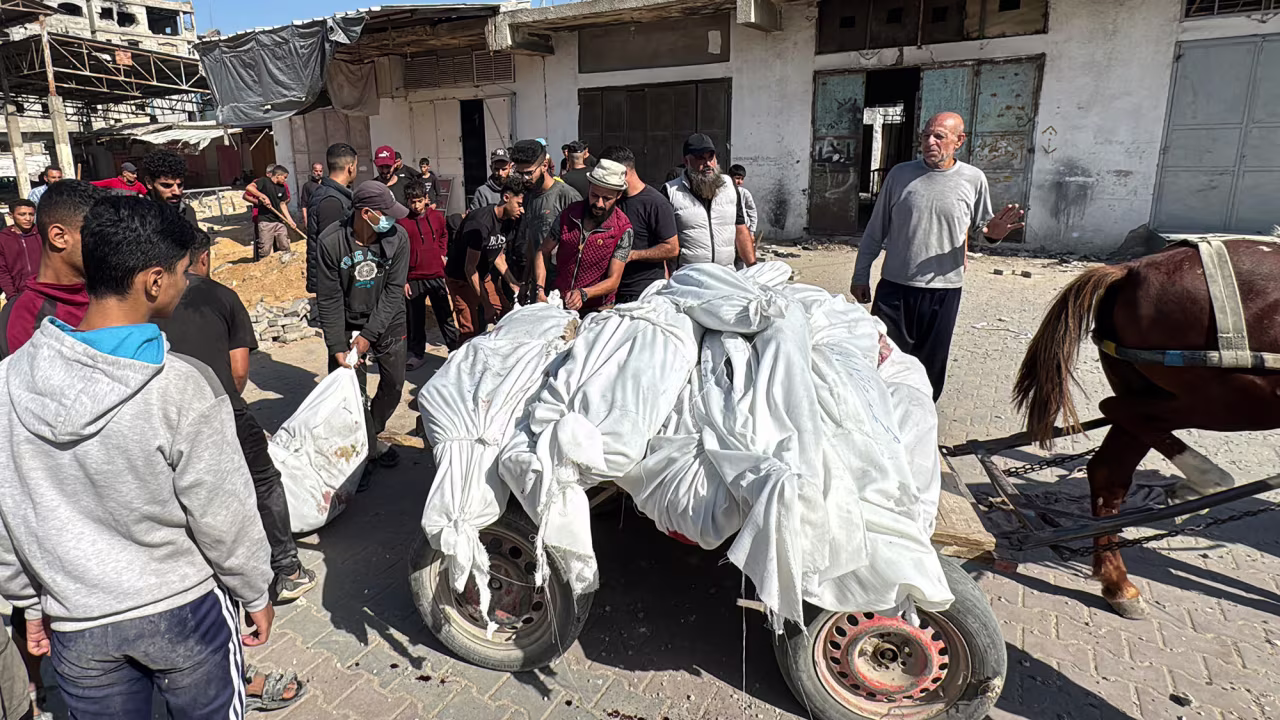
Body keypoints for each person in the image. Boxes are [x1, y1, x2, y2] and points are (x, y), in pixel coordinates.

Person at [0, 194, 277, 719]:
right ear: (153, 281)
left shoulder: (8, 383)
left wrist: (27, 600)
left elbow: (5, 508)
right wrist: (254, 590)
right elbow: (223, 512)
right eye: (180, 272)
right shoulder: (183, 386)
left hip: (78, 624)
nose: (185, 283)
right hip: (184, 611)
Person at [154, 230, 319, 606]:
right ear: (204, 258)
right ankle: (287, 570)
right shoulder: (223, 296)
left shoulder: (152, 299)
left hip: (169, 418)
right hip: (224, 407)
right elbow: (240, 371)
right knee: (263, 482)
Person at [849, 111, 1024, 401]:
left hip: (943, 293)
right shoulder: (899, 175)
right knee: (883, 361)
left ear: (959, 141)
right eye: (925, 136)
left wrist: (995, 233)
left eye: (939, 136)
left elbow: (984, 230)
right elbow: (875, 230)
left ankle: (923, 419)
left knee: (930, 367)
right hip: (894, 289)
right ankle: (881, 417)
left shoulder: (973, 179)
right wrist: (860, 275)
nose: (929, 142)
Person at [315, 181, 409, 486]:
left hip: (389, 320)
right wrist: (336, 345)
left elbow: (394, 290)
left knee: (394, 384)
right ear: (366, 213)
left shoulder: (398, 238)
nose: (391, 219)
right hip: (347, 320)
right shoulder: (331, 242)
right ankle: (364, 453)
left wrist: (369, 334)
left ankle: (371, 432)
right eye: (386, 213)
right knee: (351, 393)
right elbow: (329, 298)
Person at [0, 181, 103, 359]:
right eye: (97, 235)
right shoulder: (26, 318)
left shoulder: (105, 294)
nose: (108, 245)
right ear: (59, 237)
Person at [533, 160, 632, 316]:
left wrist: (584, 293)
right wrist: (539, 288)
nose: (599, 204)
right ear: (589, 186)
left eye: (607, 198)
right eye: (594, 195)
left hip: (598, 310)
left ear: (618, 195)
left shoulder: (623, 229)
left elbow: (614, 280)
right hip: (560, 303)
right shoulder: (569, 215)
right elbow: (543, 251)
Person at [596, 147, 679, 304]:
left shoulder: (656, 203)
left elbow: (672, 248)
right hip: (607, 292)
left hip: (642, 293)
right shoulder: (609, 200)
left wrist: (633, 255)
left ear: (623, 174)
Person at [663, 133, 755, 269]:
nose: (708, 164)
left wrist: (753, 267)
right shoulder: (671, 192)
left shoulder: (729, 186)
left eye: (711, 157)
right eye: (700, 158)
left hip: (726, 273)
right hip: (689, 275)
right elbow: (665, 241)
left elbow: (740, 229)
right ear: (686, 161)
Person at [452, 177, 522, 339]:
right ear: (506, 198)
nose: (522, 210)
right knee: (470, 329)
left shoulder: (509, 221)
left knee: (504, 313)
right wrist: (486, 304)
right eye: (519, 204)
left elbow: (498, 255)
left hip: (482, 274)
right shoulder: (481, 223)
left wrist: (514, 284)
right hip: (461, 277)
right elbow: (470, 268)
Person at [398, 178, 458, 368]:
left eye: (419, 200)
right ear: (407, 201)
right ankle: (417, 354)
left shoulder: (437, 217)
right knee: (416, 319)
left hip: (436, 274)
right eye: (412, 201)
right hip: (413, 277)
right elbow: (399, 252)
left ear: (426, 198)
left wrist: (442, 254)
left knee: (445, 316)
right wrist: (403, 280)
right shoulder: (402, 223)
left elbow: (444, 235)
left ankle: (455, 351)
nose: (416, 205)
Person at [509, 139, 581, 298]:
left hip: (562, 288)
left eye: (529, 173)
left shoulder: (567, 196)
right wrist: (525, 281)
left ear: (545, 166)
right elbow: (532, 241)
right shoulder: (528, 197)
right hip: (538, 287)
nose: (524, 179)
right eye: (520, 174)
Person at [307, 143, 359, 294]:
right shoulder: (331, 201)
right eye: (356, 165)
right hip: (334, 284)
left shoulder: (333, 194)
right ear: (351, 167)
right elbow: (333, 250)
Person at [244, 165, 299, 260]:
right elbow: (249, 188)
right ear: (278, 175)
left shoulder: (282, 187)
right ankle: (263, 264)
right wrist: (263, 197)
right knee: (265, 250)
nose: (285, 180)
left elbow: (283, 205)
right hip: (266, 222)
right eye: (284, 177)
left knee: (284, 245)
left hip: (279, 221)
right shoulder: (263, 181)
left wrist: (290, 220)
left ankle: (286, 263)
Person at [141, 149, 199, 227]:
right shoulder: (138, 217)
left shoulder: (188, 212)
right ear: (149, 183)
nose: (177, 192)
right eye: (167, 186)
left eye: (180, 185)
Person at [0, 200, 39, 298]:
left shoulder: (42, 234)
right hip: (19, 293)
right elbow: (2, 271)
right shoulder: (3, 239)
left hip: (45, 291)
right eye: (22, 214)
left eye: (31, 214)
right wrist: (12, 296)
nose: (28, 218)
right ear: (11, 215)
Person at [728, 164, 758, 237]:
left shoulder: (744, 193)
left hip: (743, 229)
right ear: (730, 177)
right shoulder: (723, 192)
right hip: (729, 230)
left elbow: (752, 211)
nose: (740, 182)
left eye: (742, 179)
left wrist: (752, 231)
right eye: (737, 178)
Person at [299, 162, 324, 229]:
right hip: (313, 217)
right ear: (312, 171)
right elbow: (304, 205)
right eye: (316, 171)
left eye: (320, 171)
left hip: (325, 216)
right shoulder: (307, 186)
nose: (318, 173)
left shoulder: (326, 184)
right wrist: (305, 220)